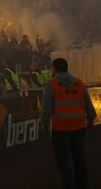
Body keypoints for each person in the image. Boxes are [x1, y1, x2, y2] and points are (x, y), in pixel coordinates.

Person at [41, 57, 96, 189]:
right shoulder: (80, 84)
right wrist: (90, 121)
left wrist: (44, 124)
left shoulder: (52, 84)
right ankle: (82, 185)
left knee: (63, 161)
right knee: (80, 160)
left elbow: (46, 109)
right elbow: (90, 108)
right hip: (79, 128)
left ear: (54, 69)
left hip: (61, 129)